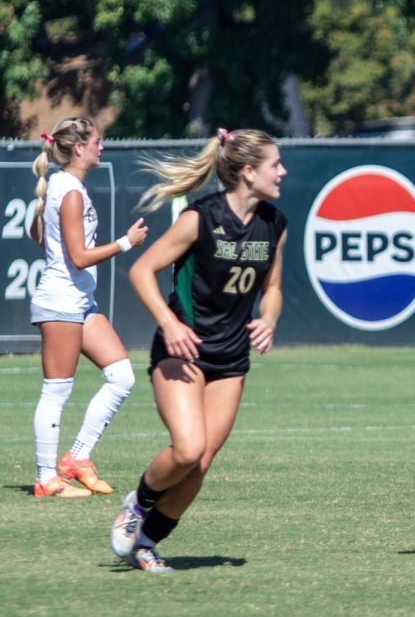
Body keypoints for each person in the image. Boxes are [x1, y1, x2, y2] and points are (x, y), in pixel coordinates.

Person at [109, 128, 288, 572]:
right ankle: (138, 503)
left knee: (201, 462)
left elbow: (275, 288)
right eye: (274, 164)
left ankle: (147, 544)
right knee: (187, 450)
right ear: (248, 172)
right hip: (181, 350)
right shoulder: (199, 217)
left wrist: (268, 319)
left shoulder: (275, 224)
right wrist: (169, 323)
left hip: (230, 360)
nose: (282, 171)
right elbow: (142, 271)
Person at [28, 117, 148, 498]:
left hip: (81, 301)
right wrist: (126, 243)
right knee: (57, 391)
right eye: (97, 141)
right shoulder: (71, 190)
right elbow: (79, 257)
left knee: (122, 376)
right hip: (62, 301)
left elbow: (38, 234)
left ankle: (76, 459)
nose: (102, 147)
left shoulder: (64, 186)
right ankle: (47, 479)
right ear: (79, 147)